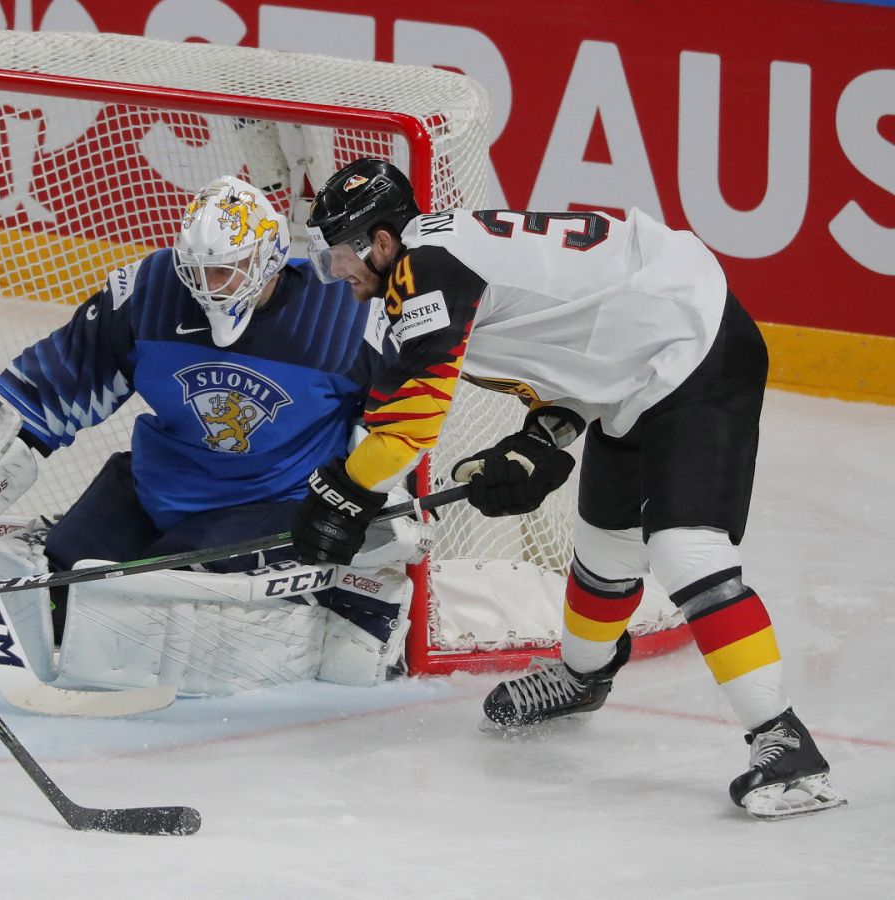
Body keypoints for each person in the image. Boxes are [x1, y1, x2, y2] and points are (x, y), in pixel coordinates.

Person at [291, 158, 845, 819]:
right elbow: (573, 329)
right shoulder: (441, 252)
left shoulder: (423, 269)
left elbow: (410, 424)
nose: (338, 271)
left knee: (685, 551)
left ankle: (787, 744)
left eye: (341, 254)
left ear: (380, 242)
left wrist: (345, 493)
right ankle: (583, 678)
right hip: (636, 362)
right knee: (606, 549)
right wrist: (540, 438)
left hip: (696, 347)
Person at [0, 176, 421, 696]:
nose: (209, 285)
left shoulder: (343, 314)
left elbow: (399, 422)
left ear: (270, 256)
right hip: (155, 486)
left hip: (270, 502)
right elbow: (53, 382)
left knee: (152, 593)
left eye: (227, 269)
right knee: (63, 576)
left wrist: (381, 506)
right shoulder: (151, 291)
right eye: (200, 269)